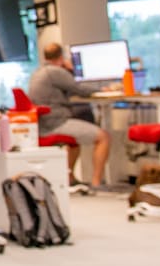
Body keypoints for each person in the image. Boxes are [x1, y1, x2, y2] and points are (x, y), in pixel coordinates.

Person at [28, 42, 111, 189]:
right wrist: (103, 90)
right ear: (62, 57)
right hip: (55, 123)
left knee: (74, 142)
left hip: (43, 124)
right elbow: (79, 88)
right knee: (103, 137)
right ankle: (97, 182)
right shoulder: (55, 72)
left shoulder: (38, 72)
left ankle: (69, 178)